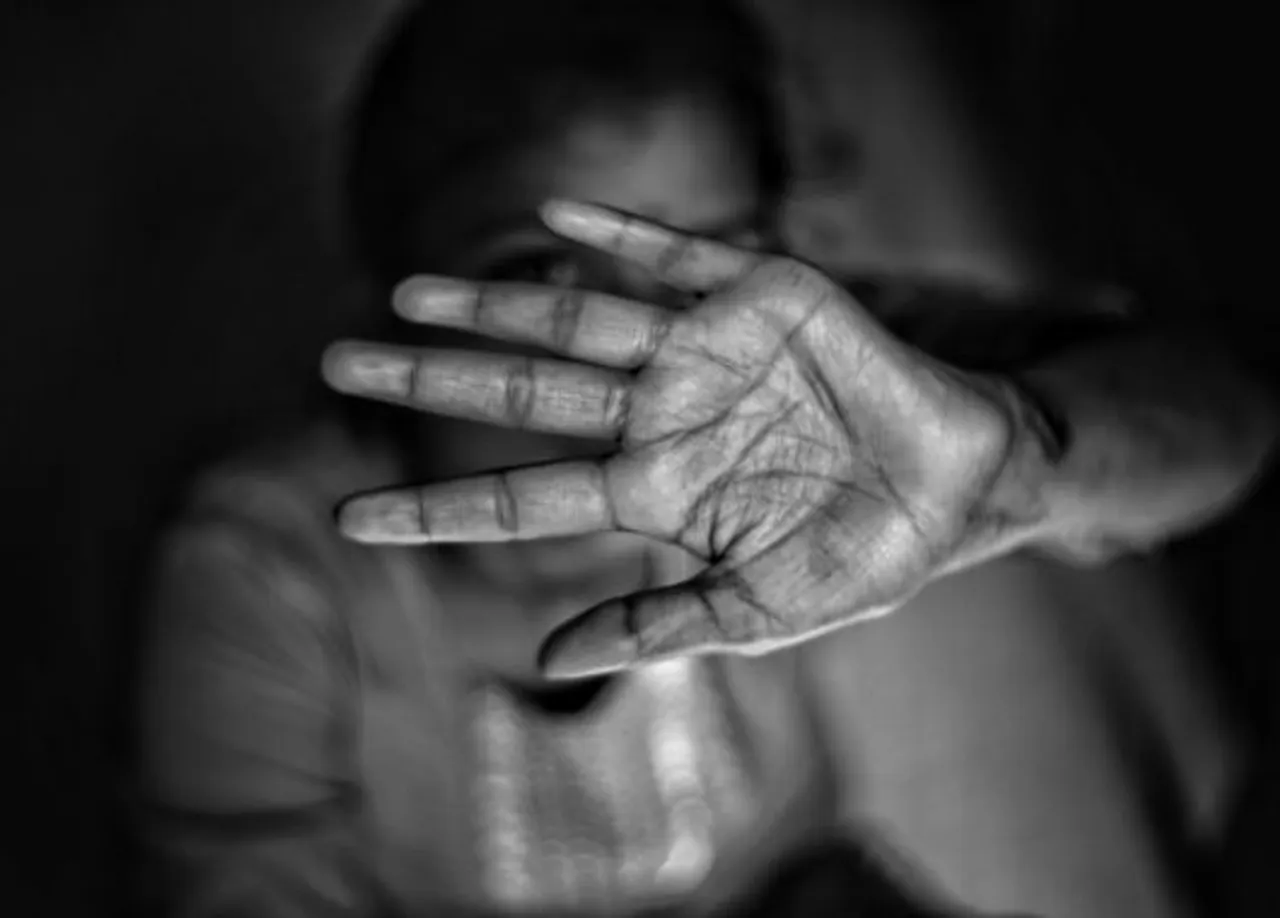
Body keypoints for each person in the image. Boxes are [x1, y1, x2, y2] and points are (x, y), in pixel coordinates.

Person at [136, 2, 1275, 917]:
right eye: (542, 274)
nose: (654, 346)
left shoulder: (802, 382)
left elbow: (1229, 420)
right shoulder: (269, 571)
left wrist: (1012, 464)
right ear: (385, 290)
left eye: (710, 264)